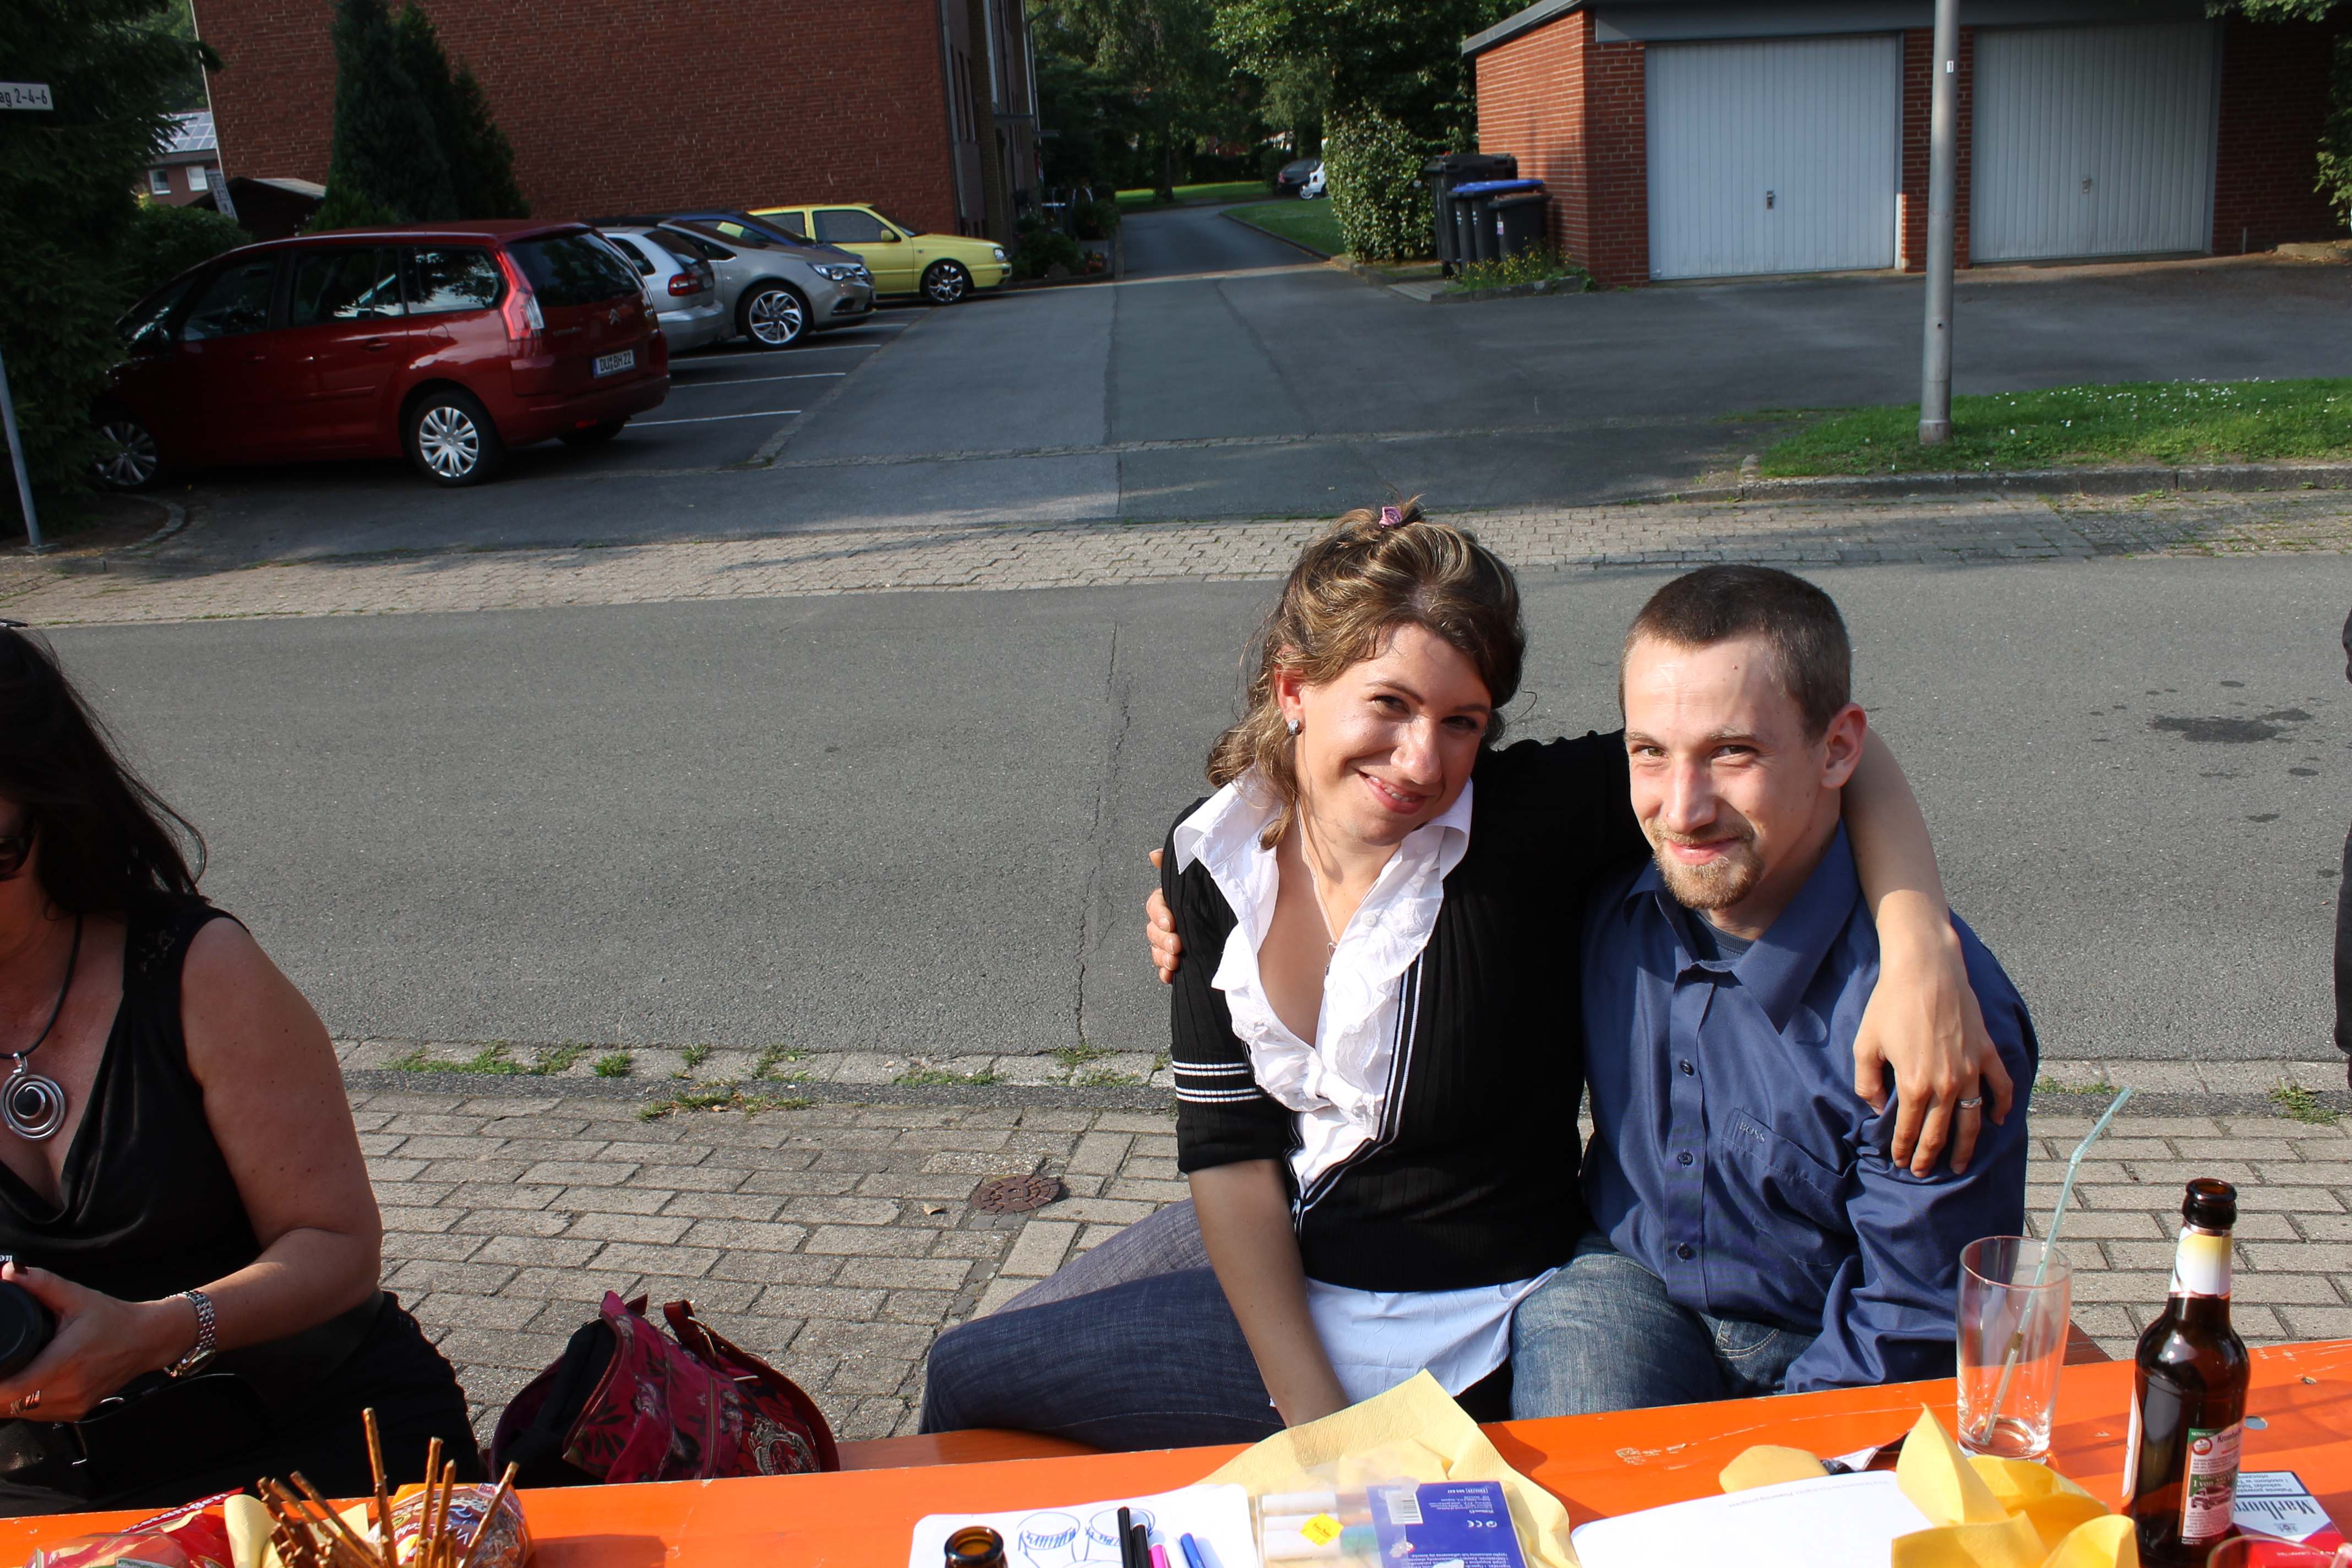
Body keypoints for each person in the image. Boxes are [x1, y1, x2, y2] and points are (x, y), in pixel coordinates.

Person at [919, 506, 2002, 1450]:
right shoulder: (1214, 856)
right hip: (1297, 1245)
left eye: (1463, 722)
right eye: (1389, 704)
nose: (1424, 761)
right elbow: (1230, 1153)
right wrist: (1318, 1423)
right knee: (969, 1370)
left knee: (1000, 1383)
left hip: (1464, 1310)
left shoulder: (1520, 823)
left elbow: (1807, 743)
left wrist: (1918, 941)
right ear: (1294, 687)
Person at [1507, 567, 2038, 1417]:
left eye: (1734, 753)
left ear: (1838, 750)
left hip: (1829, 1326)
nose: (1683, 810)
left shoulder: (1935, 1018)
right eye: (1650, 752)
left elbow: (1909, 1314)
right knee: (1580, 1469)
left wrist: (1793, 1457)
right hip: (1628, 1283)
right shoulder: (1600, 887)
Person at [0, 624, 477, 1513]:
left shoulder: (195, 969)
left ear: (52, 813)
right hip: (50, 1486)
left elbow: (337, 1247)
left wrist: (155, 1333)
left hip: (313, 1441)